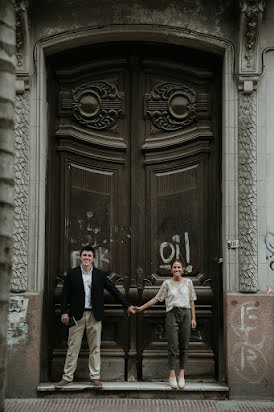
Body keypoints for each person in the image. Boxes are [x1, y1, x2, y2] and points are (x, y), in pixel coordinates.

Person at [55, 245, 135, 388]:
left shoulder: (100, 275)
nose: (86, 258)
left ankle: (95, 377)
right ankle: (67, 377)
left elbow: (114, 290)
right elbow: (64, 295)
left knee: (95, 347)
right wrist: (64, 312)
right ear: (80, 257)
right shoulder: (72, 274)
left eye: (89, 256)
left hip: (94, 315)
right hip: (76, 316)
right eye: (84, 255)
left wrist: (127, 305)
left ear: (93, 259)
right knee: (73, 346)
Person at [134, 259, 196, 389]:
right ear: (171, 269)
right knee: (173, 346)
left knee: (184, 345)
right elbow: (157, 298)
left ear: (183, 269)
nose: (177, 270)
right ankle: (172, 375)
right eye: (174, 267)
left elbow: (191, 301)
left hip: (186, 314)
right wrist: (141, 308)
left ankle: (182, 375)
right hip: (171, 314)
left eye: (179, 267)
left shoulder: (189, 282)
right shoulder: (167, 283)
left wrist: (193, 319)